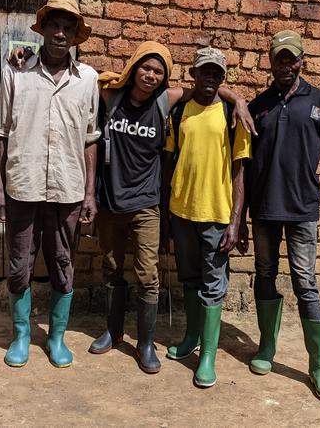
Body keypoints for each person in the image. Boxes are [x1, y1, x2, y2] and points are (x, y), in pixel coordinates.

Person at [89, 42, 252, 375]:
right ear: (133, 68)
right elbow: (88, 79)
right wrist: (29, 58)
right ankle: (114, 331)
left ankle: (149, 344)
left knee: (149, 274)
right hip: (118, 202)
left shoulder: (169, 102)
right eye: (145, 68)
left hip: (156, 205)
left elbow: (238, 166)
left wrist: (239, 98)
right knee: (111, 266)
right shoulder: (118, 99)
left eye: (158, 71)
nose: (150, 75)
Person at [0, 0, 99, 369]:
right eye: (54, 25)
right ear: (42, 30)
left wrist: (89, 193)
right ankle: (21, 334)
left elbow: (90, 138)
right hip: (22, 185)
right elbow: (3, 133)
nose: (60, 33)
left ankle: (56, 338)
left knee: (63, 263)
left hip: (68, 188)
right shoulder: (16, 73)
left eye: (69, 28)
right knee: (20, 264)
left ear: (75, 37)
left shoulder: (89, 80)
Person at [241, 30, 320, 402]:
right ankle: (266, 347)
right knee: (265, 274)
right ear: (270, 61)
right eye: (279, 58)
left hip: (303, 210)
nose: (286, 64)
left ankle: (319, 367)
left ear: (302, 61)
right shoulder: (258, 106)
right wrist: (240, 218)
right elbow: (245, 166)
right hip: (265, 209)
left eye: (292, 58)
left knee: (305, 282)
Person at [163, 47, 251, 388]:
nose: (210, 78)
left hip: (216, 214)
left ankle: (208, 357)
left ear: (222, 78)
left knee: (213, 285)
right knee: (189, 278)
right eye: (205, 72)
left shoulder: (232, 113)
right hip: (182, 211)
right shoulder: (180, 111)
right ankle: (190, 339)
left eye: (217, 73)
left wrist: (235, 221)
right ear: (193, 74)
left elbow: (240, 170)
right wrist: (165, 208)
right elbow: (168, 161)